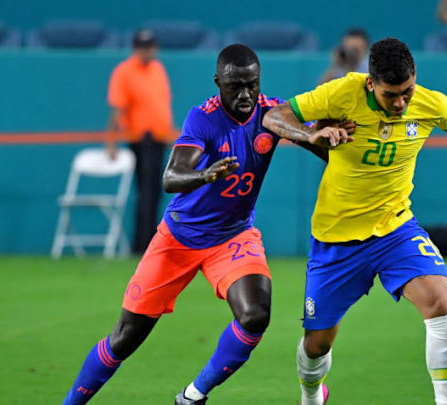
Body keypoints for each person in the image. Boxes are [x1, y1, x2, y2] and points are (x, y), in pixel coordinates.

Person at [62, 44, 345, 405]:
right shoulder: (203, 117)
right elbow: (171, 176)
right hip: (179, 238)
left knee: (255, 315)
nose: (245, 94)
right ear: (218, 83)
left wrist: (327, 136)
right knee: (125, 338)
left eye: (252, 85)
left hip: (233, 236)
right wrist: (204, 174)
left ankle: (193, 396)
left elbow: (318, 145)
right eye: (235, 86)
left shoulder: (272, 113)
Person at [263, 37, 447, 405]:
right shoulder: (342, 93)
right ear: (370, 84)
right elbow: (275, 116)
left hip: (395, 229)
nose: (401, 103)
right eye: (391, 95)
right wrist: (311, 133)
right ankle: (312, 394)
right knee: (316, 345)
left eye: (407, 92)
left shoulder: (431, 103)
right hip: (337, 238)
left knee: (439, 303)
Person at [107, 29, 174, 254]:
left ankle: (152, 241)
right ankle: (142, 244)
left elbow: (161, 105)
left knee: (155, 192)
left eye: (150, 46)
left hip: (160, 139)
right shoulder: (124, 72)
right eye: (143, 47)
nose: (147, 51)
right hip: (141, 139)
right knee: (146, 192)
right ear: (135, 48)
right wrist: (112, 141)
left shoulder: (158, 69)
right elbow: (117, 109)